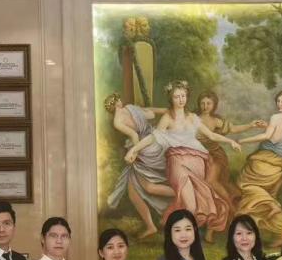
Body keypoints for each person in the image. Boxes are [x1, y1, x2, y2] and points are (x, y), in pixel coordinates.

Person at [125, 80, 242, 238]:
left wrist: (231, 141)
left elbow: (211, 135)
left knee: (193, 203)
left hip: (197, 161)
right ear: (171, 99)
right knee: (191, 206)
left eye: (183, 96)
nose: (181, 100)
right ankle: (183, 238)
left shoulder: (193, 117)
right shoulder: (167, 118)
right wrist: (134, 149)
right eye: (176, 97)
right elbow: (154, 137)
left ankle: (185, 236)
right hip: (177, 161)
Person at [238, 90, 282, 244]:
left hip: (264, 163)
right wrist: (269, 126)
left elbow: (268, 137)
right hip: (279, 166)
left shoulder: (275, 117)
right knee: (268, 194)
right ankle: (280, 234)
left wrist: (242, 140)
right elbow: (279, 136)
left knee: (246, 184)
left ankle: (272, 205)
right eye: (278, 101)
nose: (279, 104)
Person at [105, 94, 172, 237]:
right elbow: (150, 114)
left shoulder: (118, 120)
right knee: (133, 190)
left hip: (144, 147)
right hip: (150, 142)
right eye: (118, 99)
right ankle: (150, 226)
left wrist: (136, 153)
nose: (121, 100)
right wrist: (164, 110)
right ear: (117, 102)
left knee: (146, 187)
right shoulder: (129, 109)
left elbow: (135, 136)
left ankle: (178, 194)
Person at [196, 90, 257, 206]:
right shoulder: (193, 118)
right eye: (202, 103)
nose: (205, 106)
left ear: (214, 105)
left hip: (215, 155)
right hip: (197, 155)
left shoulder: (215, 121)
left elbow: (233, 129)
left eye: (208, 103)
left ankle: (230, 205)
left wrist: (250, 125)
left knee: (211, 181)